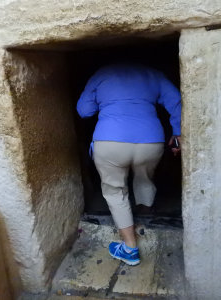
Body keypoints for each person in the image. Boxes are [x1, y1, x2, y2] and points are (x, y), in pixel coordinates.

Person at [77, 62, 181, 266]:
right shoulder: (154, 73)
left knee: (115, 190)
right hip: (150, 141)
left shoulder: (101, 72)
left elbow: (84, 110)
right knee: (145, 177)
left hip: (110, 142)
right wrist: (177, 132)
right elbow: (176, 102)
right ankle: (144, 214)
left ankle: (130, 247)